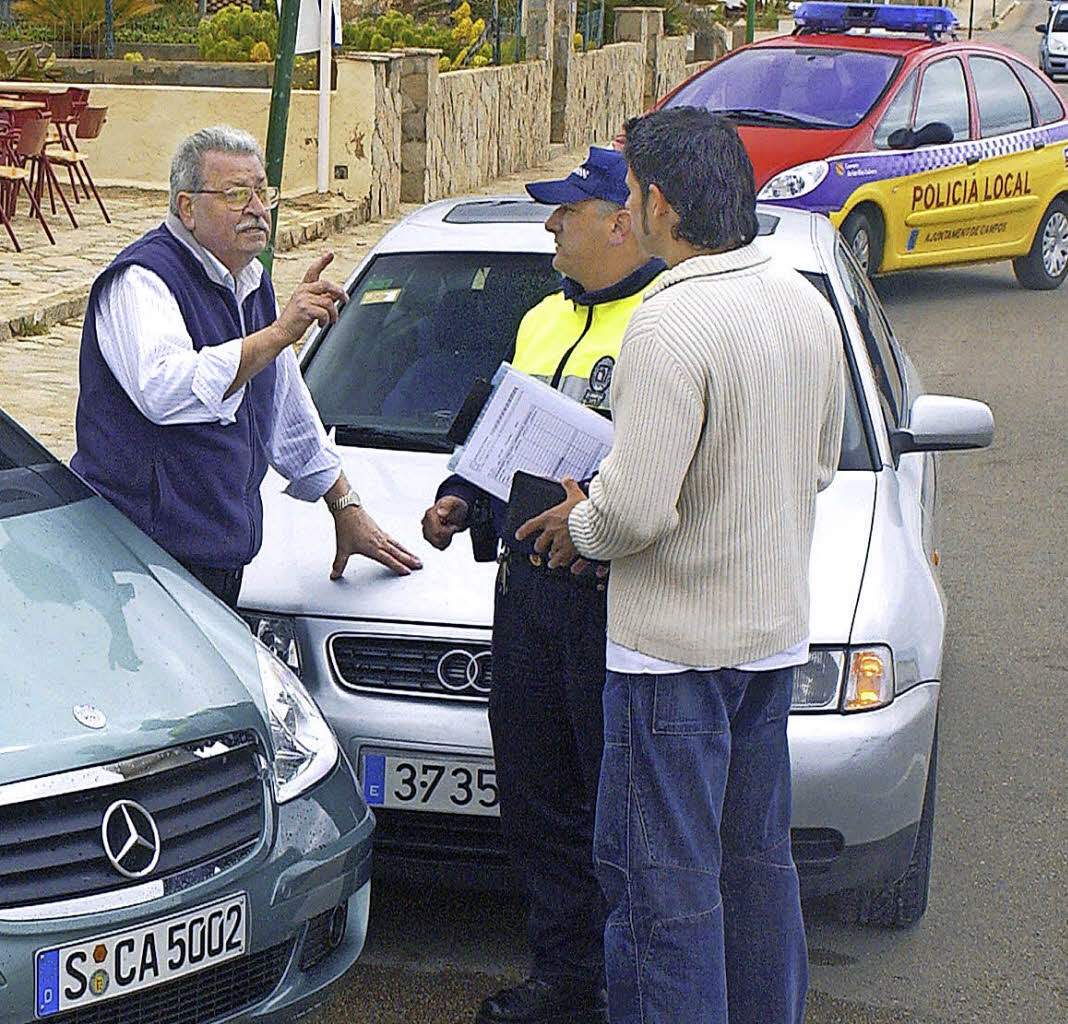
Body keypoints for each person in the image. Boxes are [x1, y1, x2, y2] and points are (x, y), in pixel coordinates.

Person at [517, 108, 846, 1024]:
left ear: (658, 203)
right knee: (754, 873)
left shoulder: (670, 318)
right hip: (770, 642)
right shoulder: (800, 301)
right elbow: (819, 464)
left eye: (629, 191)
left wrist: (579, 525)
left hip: (672, 661)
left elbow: (634, 509)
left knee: (660, 890)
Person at [421, 146, 663, 1024]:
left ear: (620, 220)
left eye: (567, 211)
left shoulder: (663, 322)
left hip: (609, 600)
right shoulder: (539, 319)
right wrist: (457, 497)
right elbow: (499, 434)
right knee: (537, 797)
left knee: (614, 808)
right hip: (526, 597)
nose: (551, 226)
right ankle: (562, 978)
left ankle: (624, 985)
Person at [71, 125, 420, 607]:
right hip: (139, 562)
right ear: (187, 208)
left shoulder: (250, 281)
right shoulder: (142, 280)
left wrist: (345, 506)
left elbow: (285, 408)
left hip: (216, 556)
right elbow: (164, 391)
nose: (257, 208)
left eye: (262, 191)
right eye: (236, 194)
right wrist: (278, 334)